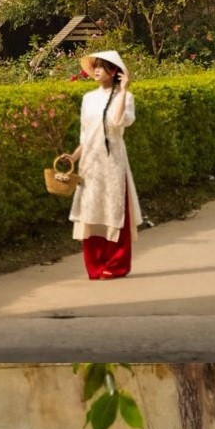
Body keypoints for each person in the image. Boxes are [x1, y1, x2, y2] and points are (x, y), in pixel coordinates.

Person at [67, 49, 143, 280]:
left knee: (114, 209)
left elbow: (119, 122)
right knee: (91, 210)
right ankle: (95, 264)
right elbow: (86, 134)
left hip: (113, 161)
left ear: (114, 72)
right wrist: (74, 156)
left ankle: (117, 264)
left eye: (102, 66)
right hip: (90, 162)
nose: (97, 70)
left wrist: (125, 88)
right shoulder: (88, 98)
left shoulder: (125, 97)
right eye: (95, 66)